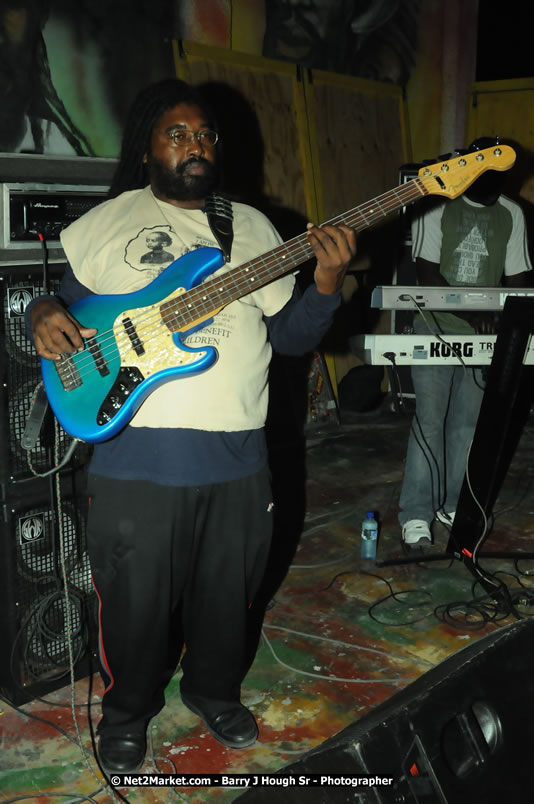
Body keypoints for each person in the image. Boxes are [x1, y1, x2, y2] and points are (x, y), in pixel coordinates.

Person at [27, 78, 357, 773]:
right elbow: (63, 305)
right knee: (135, 602)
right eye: (177, 134)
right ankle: (126, 712)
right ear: (147, 147)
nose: (195, 145)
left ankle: (214, 691)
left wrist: (327, 285)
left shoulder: (254, 228)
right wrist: (40, 312)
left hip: (239, 456)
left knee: (227, 596)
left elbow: (291, 338)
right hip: (136, 457)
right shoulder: (109, 222)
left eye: (205, 134)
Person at [399, 136, 532, 547]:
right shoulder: (437, 204)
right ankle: (416, 512)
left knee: (467, 424)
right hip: (436, 326)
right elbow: (427, 273)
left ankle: (454, 504)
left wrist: (504, 323)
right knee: (430, 420)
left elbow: (518, 279)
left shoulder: (512, 214)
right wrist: (476, 315)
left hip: (483, 336)